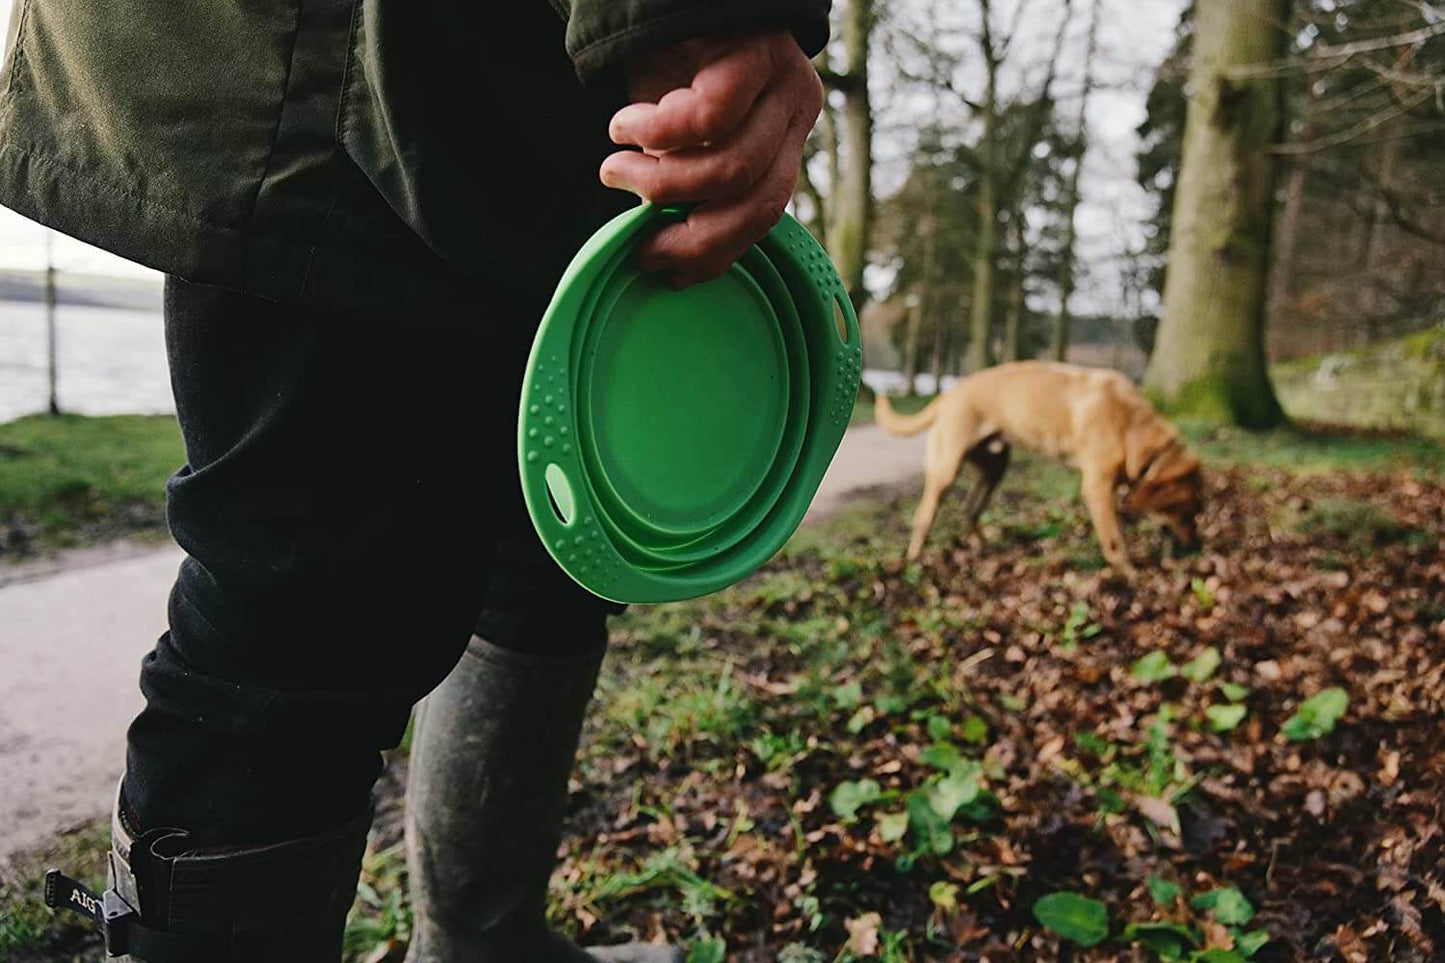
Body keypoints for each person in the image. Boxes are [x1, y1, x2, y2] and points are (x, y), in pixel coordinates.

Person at [0, 2, 827, 960]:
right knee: (306, 614)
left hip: (512, 88)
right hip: (333, 64)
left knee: (547, 546)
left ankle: (486, 941)